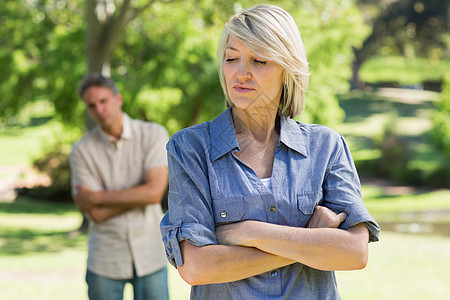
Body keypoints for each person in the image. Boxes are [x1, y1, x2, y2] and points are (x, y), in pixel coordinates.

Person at [160, 4, 380, 299]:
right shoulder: (190, 149)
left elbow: (354, 252)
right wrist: (313, 241)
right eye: (231, 58)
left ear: (287, 69)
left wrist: (251, 232)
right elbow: (197, 267)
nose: (240, 73)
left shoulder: (326, 146)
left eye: (259, 61)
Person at [70, 73, 169, 300]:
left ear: (118, 99)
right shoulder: (81, 150)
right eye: (92, 105)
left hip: (150, 254)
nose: (99, 109)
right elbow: (94, 213)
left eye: (103, 101)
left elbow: (154, 194)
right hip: (105, 259)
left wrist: (96, 197)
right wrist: (139, 194)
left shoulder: (153, 134)